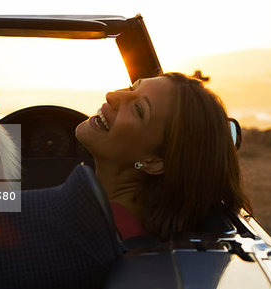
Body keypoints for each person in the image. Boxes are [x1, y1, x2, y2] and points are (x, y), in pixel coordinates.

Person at [75, 72, 252, 241]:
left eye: (138, 109)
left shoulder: (90, 230)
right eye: (131, 88)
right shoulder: (119, 223)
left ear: (153, 162)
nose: (112, 95)